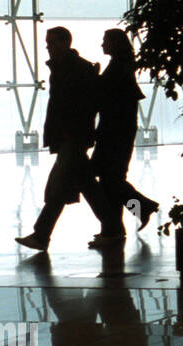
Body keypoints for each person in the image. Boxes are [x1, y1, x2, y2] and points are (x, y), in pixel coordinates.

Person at [15, 27, 119, 251]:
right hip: (72, 136)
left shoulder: (70, 69)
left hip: (71, 137)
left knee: (60, 187)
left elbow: (75, 105)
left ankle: (42, 235)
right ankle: (117, 225)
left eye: (51, 43)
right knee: (86, 186)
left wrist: (66, 132)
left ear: (63, 43)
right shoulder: (73, 68)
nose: (47, 47)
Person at [90, 29, 159, 245]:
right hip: (119, 130)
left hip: (113, 131)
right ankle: (120, 224)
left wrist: (94, 77)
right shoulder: (123, 66)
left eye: (105, 41)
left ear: (114, 44)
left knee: (109, 180)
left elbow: (105, 94)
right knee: (112, 179)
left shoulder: (117, 67)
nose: (102, 44)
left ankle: (132, 215)